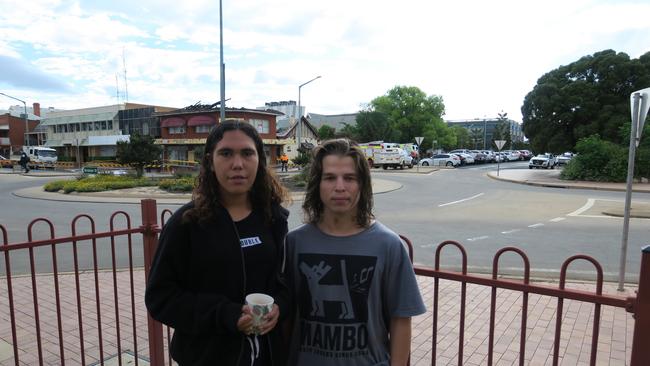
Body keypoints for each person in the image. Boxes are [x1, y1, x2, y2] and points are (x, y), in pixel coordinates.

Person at [145, 120, 291, 366]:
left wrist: (280, 306)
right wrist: (226, 315)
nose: (237, 164)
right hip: (206, 356)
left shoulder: (273, 218)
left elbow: (285, 282)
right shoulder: (186, 224)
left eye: (247, 153)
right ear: (210, 162)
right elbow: (161, 298)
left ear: (260, 161)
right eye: (226, 153)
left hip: (267, 355)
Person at [284, 138, 426, 366]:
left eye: (349, 178)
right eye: (330, 177)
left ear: (362, 184)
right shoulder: (294, 243)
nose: (339, 186)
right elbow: (287, 316)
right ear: (317, 184)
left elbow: (400, 319)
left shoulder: (388, 245)